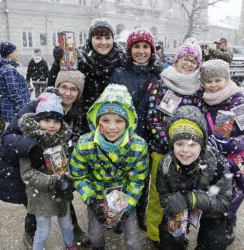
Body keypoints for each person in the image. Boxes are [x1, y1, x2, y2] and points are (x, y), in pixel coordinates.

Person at [0, 71, 89, 250]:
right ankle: (31, 233)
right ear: (56, 87)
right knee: (33, 202)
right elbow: (7, 136)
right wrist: (32, 147)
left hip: (53, 166)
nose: (68, 93)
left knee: (61, 196)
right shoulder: (39, 105)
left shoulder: (71, 111)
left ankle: (72, 234)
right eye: (64, 87)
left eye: (73, 89)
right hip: (17, 161)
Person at [70, 84, 149, 250]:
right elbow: (79, 175)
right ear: (97, 121)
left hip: (124, 195)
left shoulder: (139, 146)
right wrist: (91, 200)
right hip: (97, 196)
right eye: (105, 120)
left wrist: (128, 204)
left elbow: (138, 179)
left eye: (119, 121)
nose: (112, 127)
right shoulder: (84, 144)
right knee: (96, 234)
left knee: (132, 237)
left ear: (128, 123)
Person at [145, 37, 204, 246]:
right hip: (162, 150)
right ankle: (154, 234)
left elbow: (201, 120)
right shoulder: (162, 83)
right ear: (177, 59)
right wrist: (170, 143)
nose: (188, 64)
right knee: (157, 195)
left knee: (183, 196)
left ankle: (179, 232)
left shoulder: (198, 89)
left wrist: (188, 146)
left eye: (193, 61)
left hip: (188, 153)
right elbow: (152, 117)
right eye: (185, 59)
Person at [156, 105, 232, 250]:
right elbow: (163, 196)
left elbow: (223, 203)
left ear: (202, 146)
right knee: (168, 241)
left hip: (209, 211)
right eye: (179, 144)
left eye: (192, 145)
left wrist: (191, 199)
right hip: (179, 208)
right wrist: (172, 203)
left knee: (215, 242)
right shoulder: (166, 164)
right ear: (172, 145)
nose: (185, 150)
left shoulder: (217, 163)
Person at [108, 28, 162, 231]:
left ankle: (140, 213)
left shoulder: (158, 75)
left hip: (148, 137)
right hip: (124, 137)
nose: (141, 51)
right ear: (130, 50)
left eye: (145, 47)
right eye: (136, 46)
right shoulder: (119, 73)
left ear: (151, 50)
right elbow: (111, 104)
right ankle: (119, 213)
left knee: (142, 178)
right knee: (120, 176)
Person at [201, 59, 244, 245]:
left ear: (226, 79)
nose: (213, 85)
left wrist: (232, 145)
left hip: (235, 159)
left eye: (218, 80)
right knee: (214, 195)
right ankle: (213, 226)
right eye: (208, 81)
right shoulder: (202, 103)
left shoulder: (238, 103)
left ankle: (228, 225)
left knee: (232, 196)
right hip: (212, 160)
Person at [19, 92, 77, 250]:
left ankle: (70, 244)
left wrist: (70, 178)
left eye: (56, 121)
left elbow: (68, 163)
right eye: (46, 120)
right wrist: (52, 181)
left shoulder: (62, 140)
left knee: (66, 223)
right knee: (43, 229)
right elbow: (28, 174)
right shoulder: (30, 144)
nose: (51, 125)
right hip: (41, 195)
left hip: (62, 193)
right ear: (38, 121)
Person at [78, 18, 125, 133]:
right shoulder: (79, 60)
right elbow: (59, 86)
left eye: (108, 38)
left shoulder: (123, 60)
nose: (103, 42)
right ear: (90, 39)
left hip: (114, 127)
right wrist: (57, 64)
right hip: (85, 125)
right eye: (98, 38)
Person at [0, 41, 31, 124]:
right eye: (15, 51)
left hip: (11, 109)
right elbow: (14, 94)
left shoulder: (6, 67)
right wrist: (24, 110)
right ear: (9, 54)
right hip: (13, 111)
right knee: (16, 134)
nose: (17, 53)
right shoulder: (9, 70)